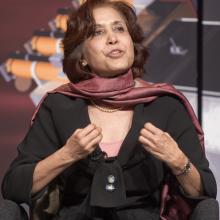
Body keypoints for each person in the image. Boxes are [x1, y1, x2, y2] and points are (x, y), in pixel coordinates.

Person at [1, 0, 217, 219]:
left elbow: (206, 191)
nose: (113, 38)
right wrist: (66, 155)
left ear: (131, 42)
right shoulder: (58, 106)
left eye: (119, 29)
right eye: (98, 32)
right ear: (82, 57)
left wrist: (178, 160)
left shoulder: (165, 104)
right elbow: (13, 187)